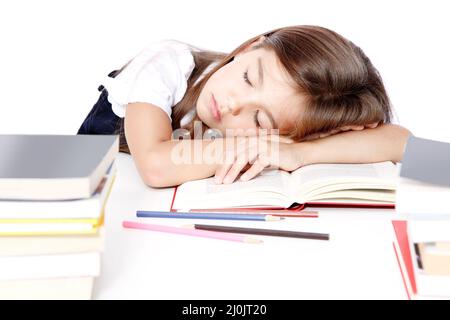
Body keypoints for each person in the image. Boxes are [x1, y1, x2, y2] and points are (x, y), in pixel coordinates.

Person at [77, 25, 411, 188]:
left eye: (261, 120)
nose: (234, 104)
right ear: (252, 46)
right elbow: (154, 165)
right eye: (250, 77)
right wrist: (256, 142)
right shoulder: (167, 63)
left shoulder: (293, 120)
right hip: (98, 202)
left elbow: (402, 144)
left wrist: (301, 152)